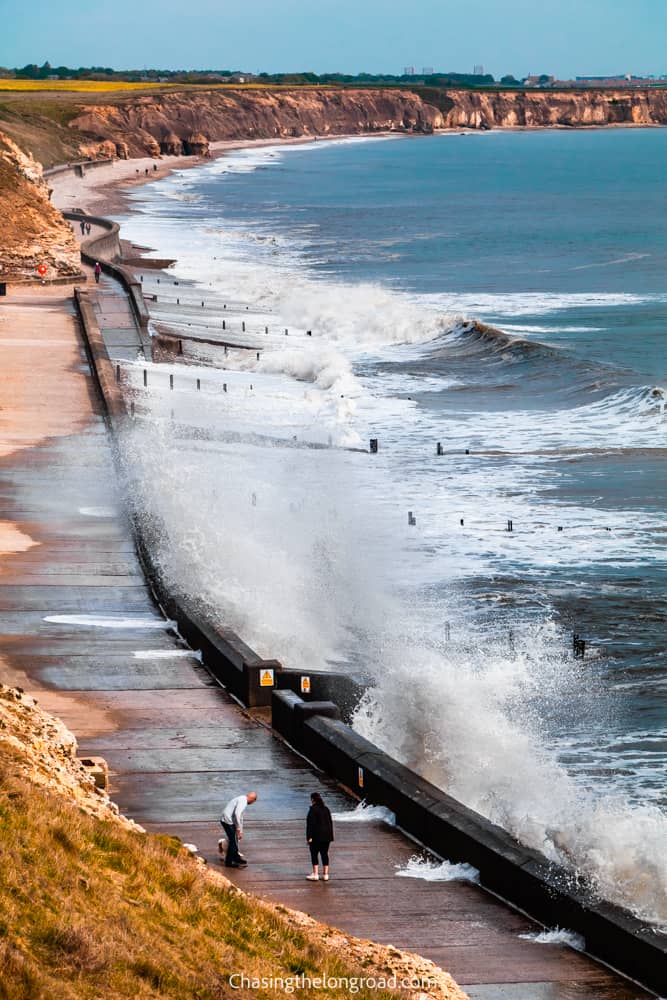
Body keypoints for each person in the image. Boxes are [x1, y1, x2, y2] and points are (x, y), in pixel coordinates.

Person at [219, 791, 257, 868]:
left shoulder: (242, 799)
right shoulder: (243, 801)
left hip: (227, 820)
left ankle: (236, 858)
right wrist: (238, 829)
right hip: (227, 821)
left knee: (235, 840)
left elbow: (240, 817)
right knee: (233, 842)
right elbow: (237, 814)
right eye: (253, 802)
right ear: (253, 799)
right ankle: (229, 863)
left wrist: (240, 831)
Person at [306, 792, 334, 881]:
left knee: (314, 854)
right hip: (327, 837)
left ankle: (315, 874)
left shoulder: (313, 810)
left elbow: (310, 825)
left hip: (316, 837)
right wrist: (330, 836)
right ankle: (325, 875)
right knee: (324, 854)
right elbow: (330, 823)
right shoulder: (326, 809)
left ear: (312, 800)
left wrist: (309, 837)